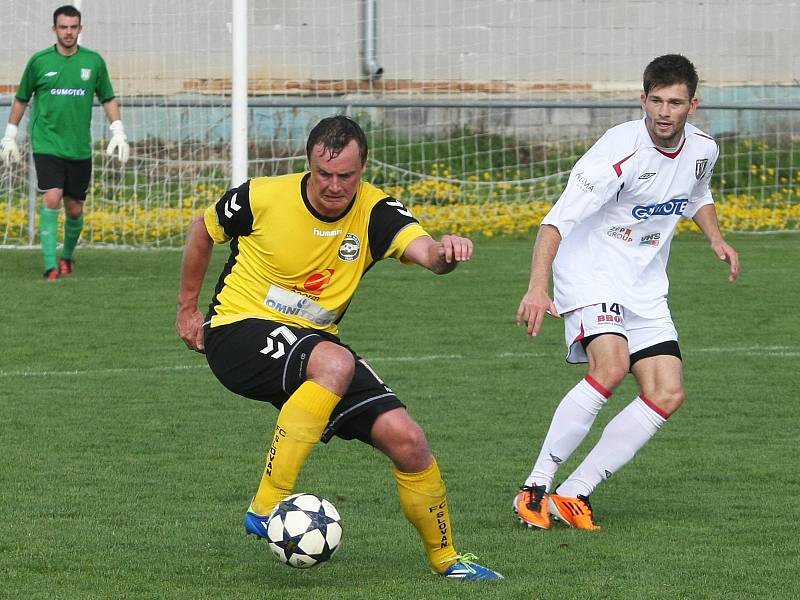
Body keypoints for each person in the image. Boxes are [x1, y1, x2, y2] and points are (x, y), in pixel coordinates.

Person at [176, 115, 502, 580]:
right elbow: (201, 231)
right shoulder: (261, 196)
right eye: (323, 174)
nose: (333, 186)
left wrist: (445, 253)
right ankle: (266, 505)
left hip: (315, 352)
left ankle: (448, 560)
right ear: (307, 164)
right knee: (334, 361)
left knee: (406, 438)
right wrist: (189, 311)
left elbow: (427, 254)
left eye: (346, 176)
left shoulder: (374, 211)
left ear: (364, 167)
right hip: (237, 330)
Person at [513, 54, 739, 531]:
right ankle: (535, 487)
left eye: (674, 102)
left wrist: (715, 237)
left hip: (644, 284)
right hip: (591, 272)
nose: (663, 112)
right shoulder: (617, 153)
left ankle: (574, 494)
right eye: (655, 101)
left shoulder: (704, 150)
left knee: (667, 391)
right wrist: (537, 288)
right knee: (611, 366)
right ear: (642, 100)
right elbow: (555, 222)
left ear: (692, 105)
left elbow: (697, 194)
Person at [0, 5, 129, 280]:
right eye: (63, 27)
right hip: (46, 143)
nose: (68, 32)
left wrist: (118, 131)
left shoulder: (93, 62)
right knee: (52, 196)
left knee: (75, 209)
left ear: (79, 29)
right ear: (54, 29)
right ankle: (50, 266)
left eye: (73, 27)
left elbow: (107, 97)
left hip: (79, 147)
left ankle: (67, 257)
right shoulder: (39, 62)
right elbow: (22, 98)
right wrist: (9, 135)